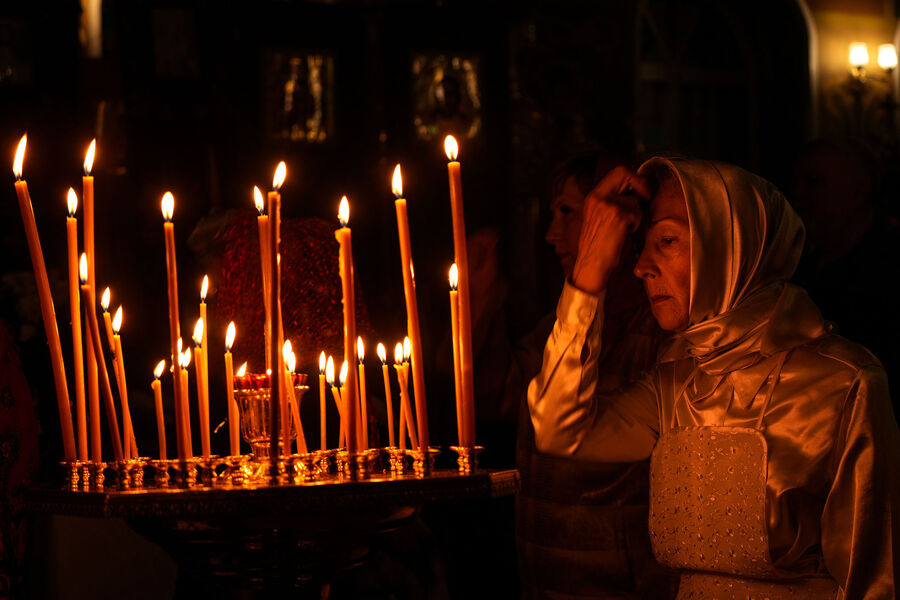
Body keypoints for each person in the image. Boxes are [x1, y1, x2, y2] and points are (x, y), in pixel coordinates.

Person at [528, 157, 900, 596]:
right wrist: (588, 274)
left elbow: (873, 580)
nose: (641, 266)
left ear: (729, 247)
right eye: (640, 245)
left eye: (667, 240)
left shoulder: (844, 382)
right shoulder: (675, 382)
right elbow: (559, 429)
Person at [517, 153, 676, 598]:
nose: (552, 235)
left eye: (569, 212)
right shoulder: (554, 327)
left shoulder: (666, 335)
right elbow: (502, 398)